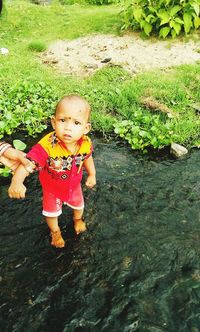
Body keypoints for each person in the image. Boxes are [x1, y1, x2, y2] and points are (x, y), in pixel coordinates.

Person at [8, 95, 96, 248]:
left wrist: (92, 174)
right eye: (63, 120)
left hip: (74, 185)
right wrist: (17, 181)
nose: (68, 127)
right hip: (52, 188)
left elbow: (87, 157)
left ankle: (77, 219)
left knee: (79, 205)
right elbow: (27, 164)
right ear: (54, 122)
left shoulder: (85, 143)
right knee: (51, 212)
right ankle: (55, 231)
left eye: (76, 123)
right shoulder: (47, 146)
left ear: (86, 128)